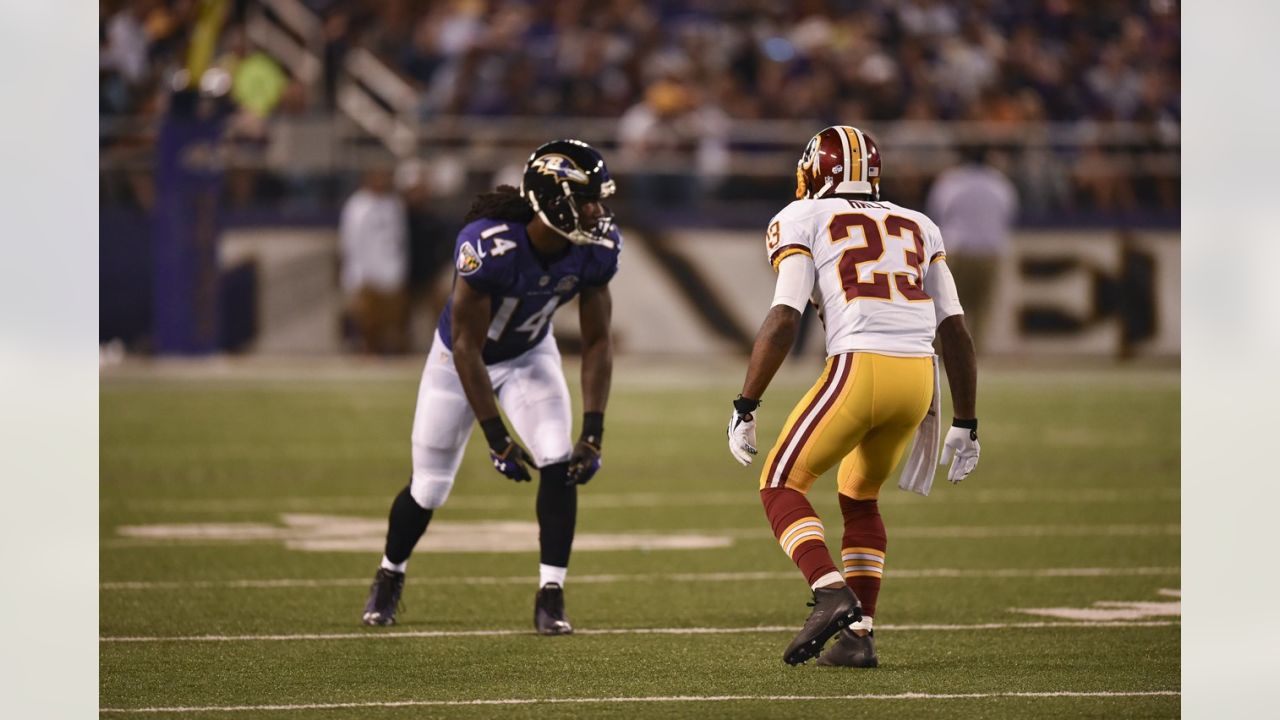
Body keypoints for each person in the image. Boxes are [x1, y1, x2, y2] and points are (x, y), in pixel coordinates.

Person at [726, 126, 981, 667]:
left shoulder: (800, 217)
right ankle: (858, 636)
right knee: (859, 496)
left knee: (780, 483)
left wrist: (746, 403)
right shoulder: (919, 223)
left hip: (859, 367)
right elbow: (954, 326)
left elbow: (785, 315)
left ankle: (828, 589)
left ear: (816, 171)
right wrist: (967, 419)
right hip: (919, 379)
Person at [362, 140, 621, 635]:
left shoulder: (593, 252)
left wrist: (595, 429)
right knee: (430, 487)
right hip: (457, 364)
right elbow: (465, 347)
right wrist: (497, 438)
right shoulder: (490, 245)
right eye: (587, 200)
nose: (598, 212)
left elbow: (597, 341)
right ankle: (389, 574)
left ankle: (551, 595)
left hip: (529, 355)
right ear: (556, 200)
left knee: (556, 457)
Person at [924, 145, 1018, 348]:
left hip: (958, 251)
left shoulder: (951, 181)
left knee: (948, 307)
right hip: (990, 253)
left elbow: (936, 214)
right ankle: (974, 357)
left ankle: (944, 354)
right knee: (982, 309)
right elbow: (1008, 215)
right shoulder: (999, 183)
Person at [339, 168, 410, 355]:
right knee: (366, 320)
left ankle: (388, 352)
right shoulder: (357, 205)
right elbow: (351, 240)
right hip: (365, 272)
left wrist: (400, 269)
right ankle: (368, 350)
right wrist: (355, 273)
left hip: (391, 271)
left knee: (391, 321)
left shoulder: (394, 204)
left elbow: (400, 239)